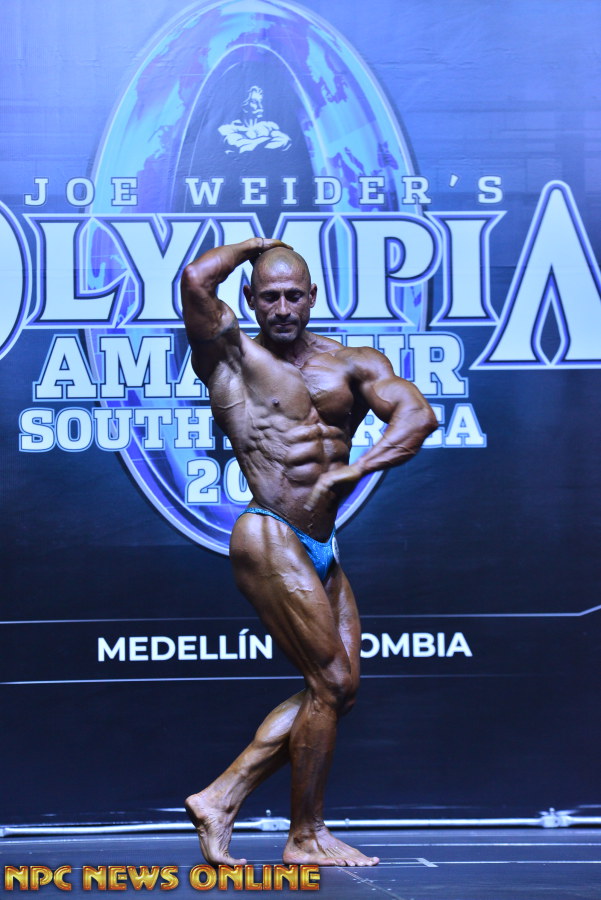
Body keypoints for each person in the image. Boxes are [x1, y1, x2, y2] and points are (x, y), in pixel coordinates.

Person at [181, 237, 437, 867]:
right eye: (269, 296)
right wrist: (257, 246)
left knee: (339, 690)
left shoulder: (352, 362)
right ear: (249, 298)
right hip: (269, 531)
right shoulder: (229, 355)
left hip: (322, 543)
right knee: (330, 680)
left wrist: (361, 467)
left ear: (313, 297)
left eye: (294, 295)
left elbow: (418, 415)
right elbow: (194, 280)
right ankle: (304, 836)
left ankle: (221, 796)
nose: (283, 307)